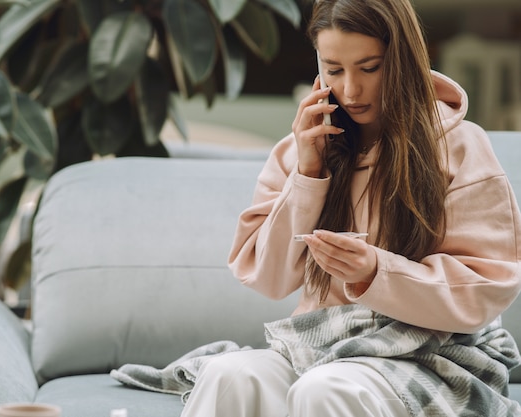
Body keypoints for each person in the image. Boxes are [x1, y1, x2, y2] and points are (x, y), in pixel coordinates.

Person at [180, 0, 521, 416]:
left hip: (431, 355)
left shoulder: (460, 146)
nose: (351, 90)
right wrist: (308, 174)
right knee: (227, 376)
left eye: (370, 67)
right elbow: (267, 278)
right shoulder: (300, 151)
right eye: (334, 70)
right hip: (325, 346)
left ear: (402, 60)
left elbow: (484, 290)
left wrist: (375, 272)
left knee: (326, 389)